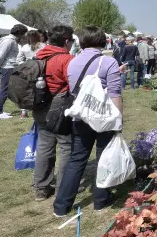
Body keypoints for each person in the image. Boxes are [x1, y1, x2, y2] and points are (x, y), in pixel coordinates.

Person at [53, 26, 123, 217]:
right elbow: (115, 94)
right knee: (103, 157)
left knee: (76, 159)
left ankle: (61, 206)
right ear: (102, 41)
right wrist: (118, 118)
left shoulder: (73, 62)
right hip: (103, 117)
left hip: (80, 116)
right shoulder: (108, 62)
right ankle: (101, 200)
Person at [33, 25, 76, 201]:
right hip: (59, 107)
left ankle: (41, 188)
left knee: (44, 146)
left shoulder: (39, 55)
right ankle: (62, 188)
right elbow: (73, 85)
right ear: (66, 41)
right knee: (66, 146)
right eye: (72, 40)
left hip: (39, 105)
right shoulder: (67, 59)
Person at [0, 24, 28, 119]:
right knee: (4, 89)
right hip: (7, 67)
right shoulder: (9, 41)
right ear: (20, 33)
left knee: (8, 89)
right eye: (24, 34)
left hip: (11, 67)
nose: (24, 36)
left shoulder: (12, 40)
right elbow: (0, 56)